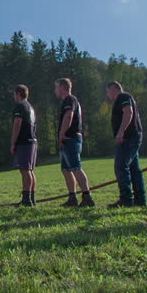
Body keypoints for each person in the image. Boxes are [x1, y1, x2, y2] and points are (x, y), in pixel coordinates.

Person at [54, 78, 95, 208]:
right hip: (68, 139)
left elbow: (69, 116)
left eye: (56, 87)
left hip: (70, 138)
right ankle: (72, 197)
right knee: (66, 169)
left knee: (76, 167)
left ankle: (87, 196)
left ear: (62, 87)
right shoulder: (69, 101)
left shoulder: (69, 100)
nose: (55, 90)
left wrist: (61, 134)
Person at [106, 82, 147, 208]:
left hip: (128, 138)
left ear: (114, 89)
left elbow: (128, 113)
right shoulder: (124, 98)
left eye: (108, 91)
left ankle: (126, 199)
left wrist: (121, 132)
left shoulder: (123, 97)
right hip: (131, 137)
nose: (107, 94)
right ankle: (140, 199)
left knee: (120, 166)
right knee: (134, 169)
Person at [11, 85, 38, 207]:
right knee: (30, 171)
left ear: (18, 94)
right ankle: (31, 198)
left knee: (25, 170)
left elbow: (17, 124)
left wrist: (13, 142)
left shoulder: (20, 106)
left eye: (14, 94)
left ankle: (27, 200)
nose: (13, 97)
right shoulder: (30, 107)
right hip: (32, 141)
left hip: (24, 142)